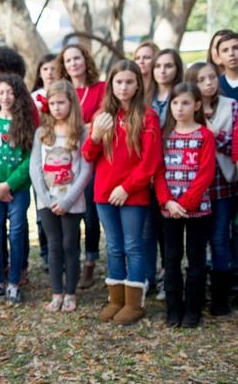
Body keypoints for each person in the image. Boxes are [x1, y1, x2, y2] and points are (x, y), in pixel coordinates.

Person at [83, 60, 162, 326]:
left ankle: (133, 304)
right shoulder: (103, 115)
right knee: (114, 246)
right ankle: (115, 300)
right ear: (111, 84)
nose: (124, 87)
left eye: (129, 82)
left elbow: (150, 162)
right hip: (103, 193)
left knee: (133, 245)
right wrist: (95, 136)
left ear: (138, 84)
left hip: (133, 194)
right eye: (119, 82)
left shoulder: (148, 116)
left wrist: (126, 188)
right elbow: (87, 155)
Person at [154, 82, 215, 328]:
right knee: (171, 257)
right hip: (169, 210)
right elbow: (157, 172)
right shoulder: (164, 135)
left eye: (186, 103)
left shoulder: (204, 135)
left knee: (196, 258)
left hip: (197, 210)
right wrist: (167, 201)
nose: (179, 108)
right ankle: (173, 308)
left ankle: (192, 309)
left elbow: (206, 173)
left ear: (197, 105)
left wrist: (187, 203)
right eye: (175, 103)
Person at [30, 80, 92, 312]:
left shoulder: (81, 132)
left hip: (72, 201)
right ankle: (57, 292)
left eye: (61, 103)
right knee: (53, 246)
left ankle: (71, 293)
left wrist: (67, 201)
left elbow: (86, 169)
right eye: (53, 103)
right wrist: (45, 199)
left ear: (71, 103)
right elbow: (35, 167)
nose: (57, 108)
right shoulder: (42, 132)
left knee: (70, 245)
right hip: (47, 201)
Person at [0, 74, 36, 304]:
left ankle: (14, 282)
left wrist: (9, 184)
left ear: (18, 95)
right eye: (1, 92)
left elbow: (29, 158)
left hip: (17, 190)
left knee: (17, 234)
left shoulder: (25, 122)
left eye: (10, 92)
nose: (5, 97)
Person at [185, 61, 237, 316]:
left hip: (222, 186)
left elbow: (234, 146)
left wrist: (213, 134)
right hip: (194, 187)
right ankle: (196, 295)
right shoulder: (185, 110)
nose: (209, 83)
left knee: (219, 239)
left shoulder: (231, 107)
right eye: (202, 79)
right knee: (197, 241)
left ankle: (220, 298)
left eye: (212, 78)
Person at [55, 43, 106, 289]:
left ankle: (90, 262)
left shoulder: (101, 89)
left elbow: (101, 121)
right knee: (70, 212)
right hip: (64, 162)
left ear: (86, 60)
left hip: (92, 160)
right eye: (68, 60)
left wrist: (82, 127)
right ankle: (71, 261)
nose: (73, 63)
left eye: (77, 58)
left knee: (90, 215)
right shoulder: (62, 92)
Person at [144, 48, 184, 298]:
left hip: (174, 172)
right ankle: (149, 277)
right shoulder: (145, 97)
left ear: (176, 68)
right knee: (148, 229)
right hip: (146, 174)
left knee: (169, 233)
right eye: (158, 65)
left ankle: (168, 274)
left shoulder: (182, 97)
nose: (162, 70)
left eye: (168, 66)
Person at [30, 53, 57, 272]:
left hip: (61, 157)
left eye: (53, 68)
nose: (50, 73)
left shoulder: (65, 95)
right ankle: (46, 253)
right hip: (39, 155)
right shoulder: (33, 98)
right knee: (42, 210)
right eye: (45, 69)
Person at [217, 31, 238, 100]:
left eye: (235, 48)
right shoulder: (216, 85)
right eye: (225, 50)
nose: (231, 53)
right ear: (219, 56)